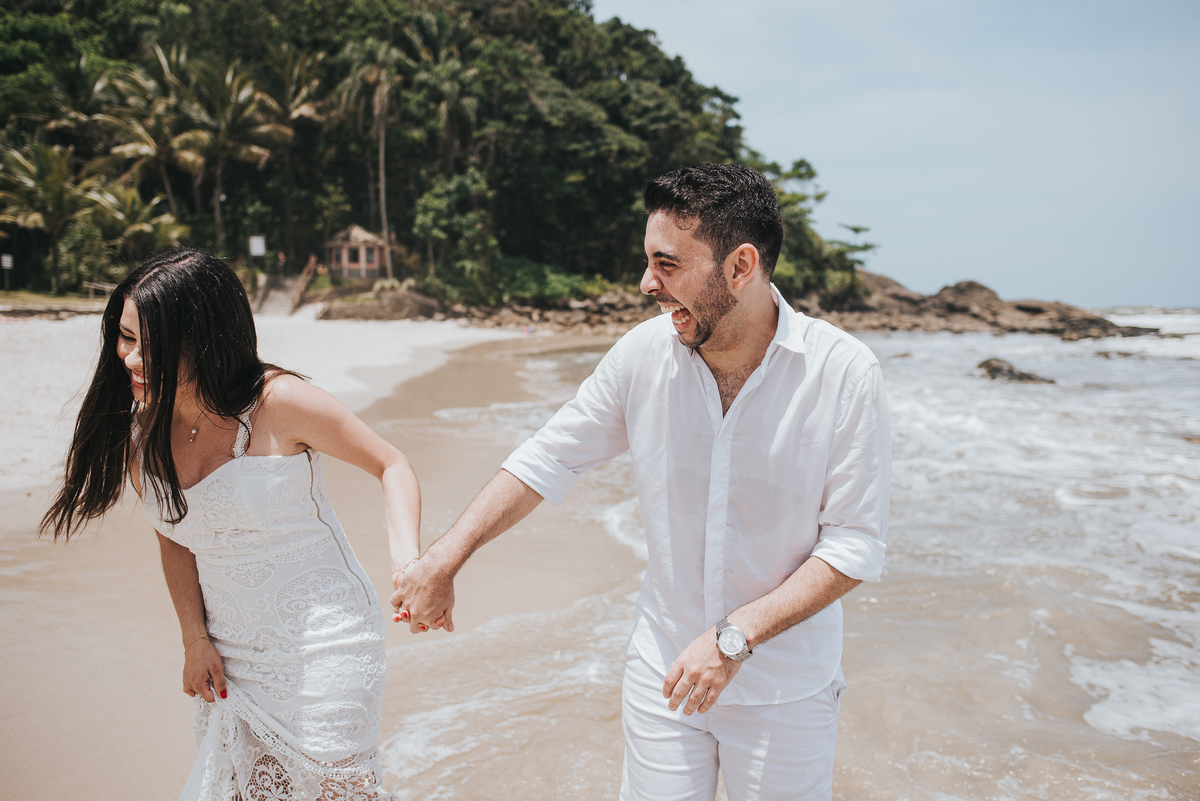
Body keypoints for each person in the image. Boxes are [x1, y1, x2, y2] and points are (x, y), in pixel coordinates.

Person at [394, 163, 891, 800]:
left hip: (786, 691)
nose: (645, 283)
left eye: (667, 264)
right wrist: (445, 557)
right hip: (664, 676)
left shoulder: (844, 373)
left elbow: (853, 546)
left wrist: (733, 640)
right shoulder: (641, 356)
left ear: (740, 266)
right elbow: (549, 458)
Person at [42, 248, 419, 800]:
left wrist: (408, 564)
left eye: (152, 345)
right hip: (229, 654)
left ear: (205, 339)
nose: (130, 358)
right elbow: (174, 540)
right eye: (124, 337)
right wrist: (194, 639)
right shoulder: (142, 433)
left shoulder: (279, 403)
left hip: (326, 644)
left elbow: (392, 465)